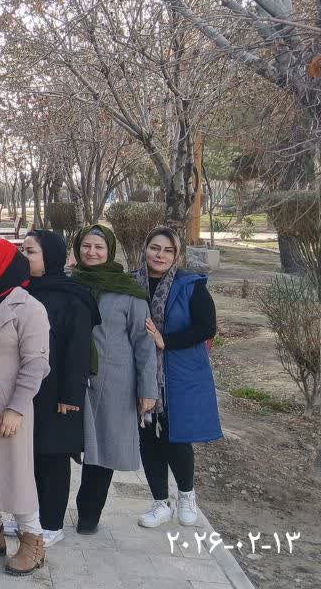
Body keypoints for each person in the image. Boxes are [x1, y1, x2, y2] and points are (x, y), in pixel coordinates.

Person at [70, 224, 158, 534]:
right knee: (59, 445)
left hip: (113, 382)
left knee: (102, 448)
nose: (91, 252)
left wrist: (148, 390)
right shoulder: (70, 284)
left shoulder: (127, 292)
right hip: (71, 379)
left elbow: (144, 343)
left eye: (99, 247)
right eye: (86, 246)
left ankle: (88, 514)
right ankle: (46, 512)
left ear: (109, 251)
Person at [132, 226, 222, 528]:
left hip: (178, 373)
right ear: (145, 249)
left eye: (168, 250)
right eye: (155, 248)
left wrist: (165, 340)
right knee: (147, 436)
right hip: (142, 371)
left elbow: (206, 327)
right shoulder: (131, 283)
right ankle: (160, 503)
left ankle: (186, 494)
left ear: (176, 255)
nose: (160, 255)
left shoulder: (190, 285)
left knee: (175, 436)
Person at [0, 238, 51, 576]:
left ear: (2, 265)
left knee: (16, 473)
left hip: (9, 407)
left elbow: (36, 364)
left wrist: (17, 408)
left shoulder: (29, 308)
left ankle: (33, 539)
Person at [17, 229, 98, 547]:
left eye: (31, 252)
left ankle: (51, 524)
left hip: (57, 390)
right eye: (23, 251)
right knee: (29, 454)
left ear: (49, 256)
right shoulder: (23, 289)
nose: (24, 257)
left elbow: (78, 350)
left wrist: (70, 395)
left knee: (53, 456)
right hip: (27, 387)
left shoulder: (72, 297)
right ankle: (30, 517)